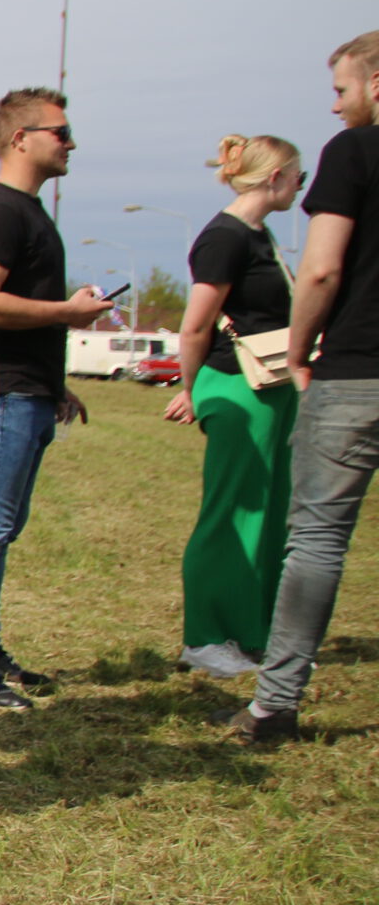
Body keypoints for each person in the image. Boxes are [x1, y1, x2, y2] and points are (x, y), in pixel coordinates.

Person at [0, 88, 114, 710]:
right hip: (3, 392)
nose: (71, 143)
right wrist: (69, 312)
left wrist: (52, 382)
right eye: (60, 132)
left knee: (1, 528)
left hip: (26, 389)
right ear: (20, 138)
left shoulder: (26, 211)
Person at [238, 31, 379, 745]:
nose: (335, 106)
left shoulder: (354, 151)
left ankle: (274, 706)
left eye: (341, 89)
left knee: (318, 539)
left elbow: (321, 268)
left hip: (357, 371)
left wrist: (299, 350)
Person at [161, 134, 304, 680]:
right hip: (238, 386)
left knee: (267, 512)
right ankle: (205, 637)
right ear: (276, 177)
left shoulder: (259, 235)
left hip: (272, 386)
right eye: (299, 177)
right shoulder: (224, 237)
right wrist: (191, 388)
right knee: (230, 514)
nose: (302, 187)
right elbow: (196, 324)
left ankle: (250, 632)